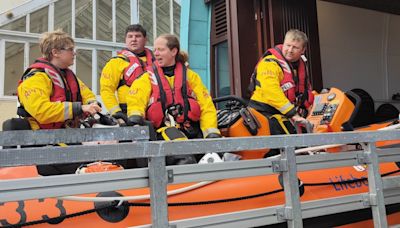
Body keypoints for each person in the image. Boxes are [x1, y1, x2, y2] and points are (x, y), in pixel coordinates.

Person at [13, 30, 102, 175]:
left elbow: (87, 94)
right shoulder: (35, 79)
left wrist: (93, 104)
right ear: (55, 52)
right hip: (43, 144)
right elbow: (42, 111)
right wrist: (79, 108)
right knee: (89, 167)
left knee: (102, 159)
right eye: (70, 49)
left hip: (66, 139)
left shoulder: (67, 76)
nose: (74, 53)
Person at [126, 34, 221, 164]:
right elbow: (136, 101)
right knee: (185, 157)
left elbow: (207, 106)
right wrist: (135, 116)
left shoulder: (191, 77)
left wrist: (211, 133)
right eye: (155, 50)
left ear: (174, 51)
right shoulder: (147, 78)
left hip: (191, 128)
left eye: (161, 49)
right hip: (164, 130)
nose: (156, 54)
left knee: (219, 153)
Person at [248, 29, 314, 135]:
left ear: (303, 50)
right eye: (288, 45)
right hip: (264, 114)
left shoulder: (299, 66)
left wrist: (311, 108)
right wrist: (293, 114)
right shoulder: (269, 63)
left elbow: (305, 90)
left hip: (284, 115)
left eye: (295, 47)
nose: (290, 50)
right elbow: (271, 91)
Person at [100, 24, 155, 124]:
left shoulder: (157, 61)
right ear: (125, 39)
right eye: (130, 36)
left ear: (145, 39)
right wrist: (116, 112)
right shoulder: (116, 62)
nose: (133, 39)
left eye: (138, 36)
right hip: (128, 115)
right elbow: (106, 90)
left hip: (155, 112)